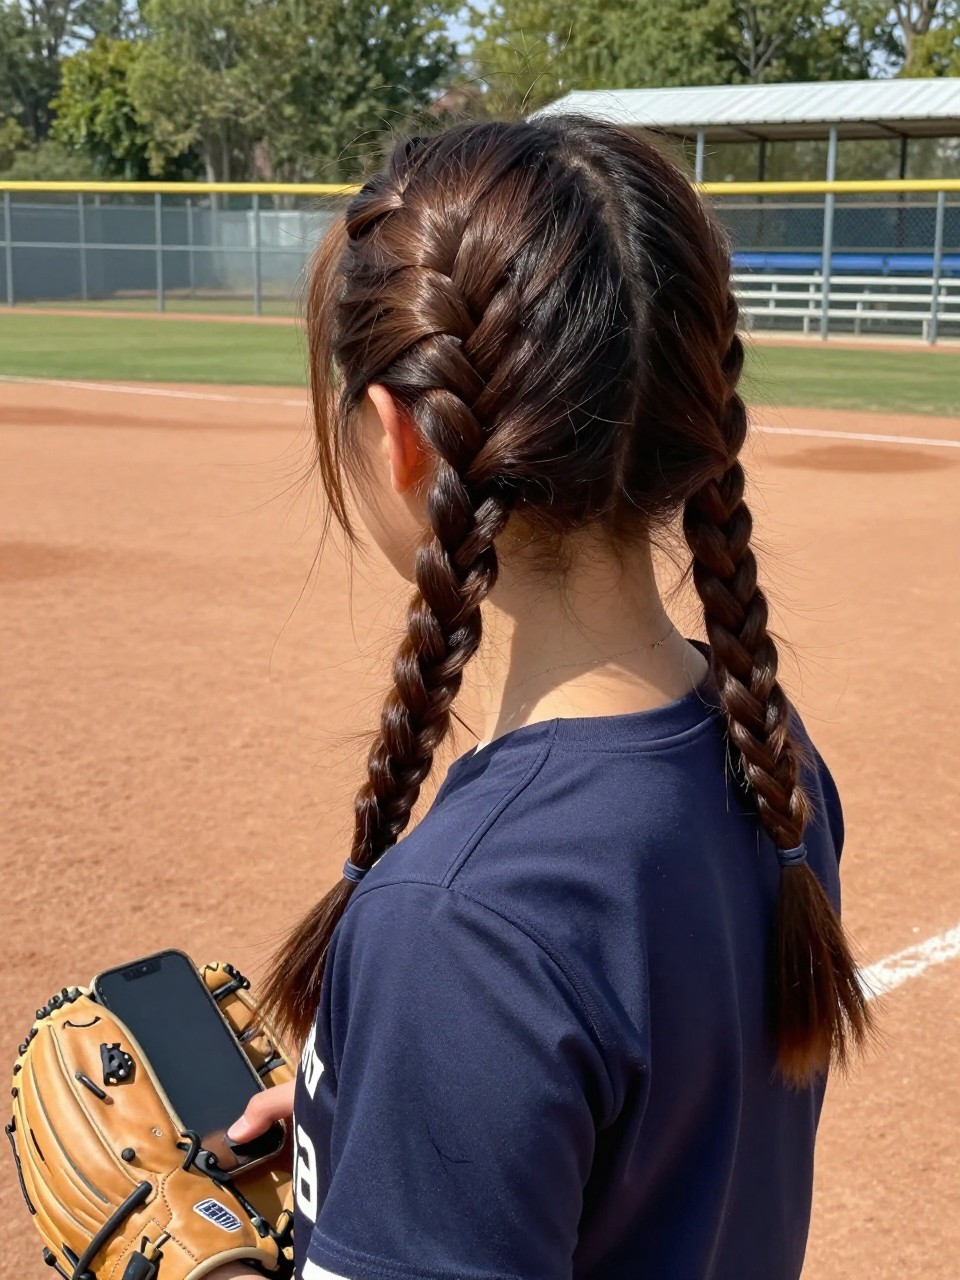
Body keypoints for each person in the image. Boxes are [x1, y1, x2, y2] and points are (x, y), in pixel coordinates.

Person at [213, 118, 870, 1280]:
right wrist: (394, 1114)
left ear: (399, 435)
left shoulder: (464, 922)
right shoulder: (772, 761)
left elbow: (533, 989)